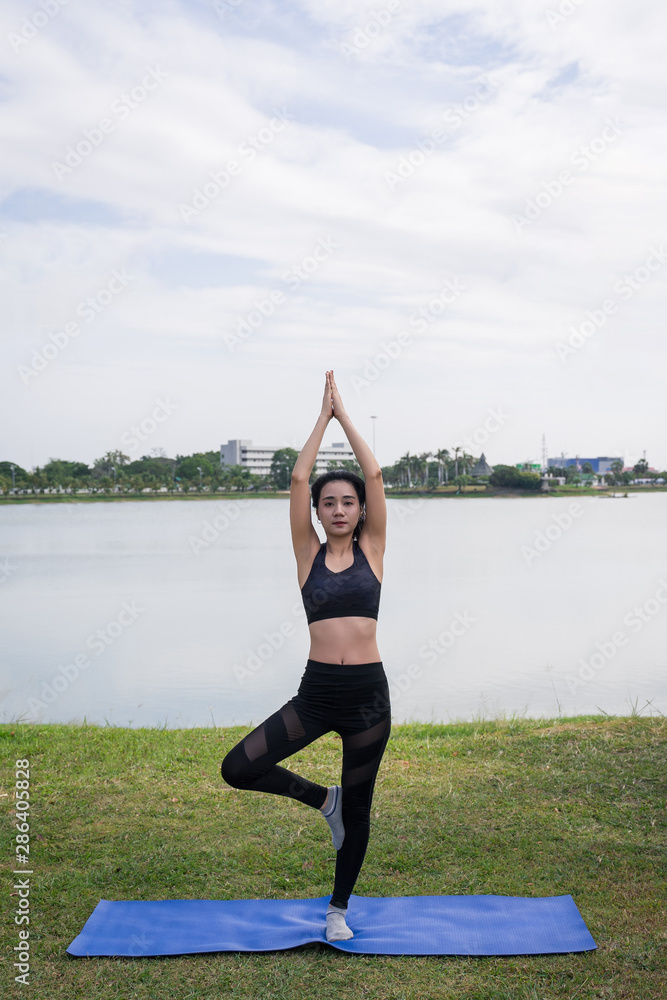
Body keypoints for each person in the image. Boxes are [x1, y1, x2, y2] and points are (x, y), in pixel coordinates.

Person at [221, 369, 390, 943]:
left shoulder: (373, 549)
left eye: (348, 503)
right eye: (329, 503)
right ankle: (324, 801)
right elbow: (297, 476)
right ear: (318, 512)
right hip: (317, 694)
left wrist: (348, 417)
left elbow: (374, 473)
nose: (339, 509)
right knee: (238, 768)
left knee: (361, 811)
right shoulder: (307, 554)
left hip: (368, 698)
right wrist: (322, 418)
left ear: (361, 511)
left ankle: (338, 909)